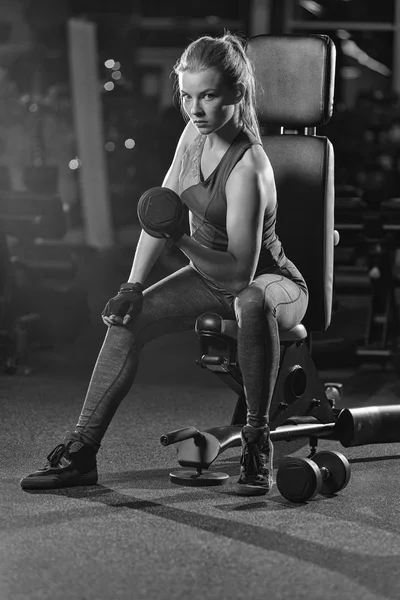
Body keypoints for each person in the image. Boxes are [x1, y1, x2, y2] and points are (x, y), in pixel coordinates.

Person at [20, 32, 308, 496]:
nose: (196, 109)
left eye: (209, 96)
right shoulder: (194, 134)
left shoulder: (249, 168)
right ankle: (81, 452)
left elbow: (238, 274)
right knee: (127, 319)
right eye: (188, 96)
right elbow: (163, 209)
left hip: (271, 283)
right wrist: (132, 285)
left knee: (252, 301)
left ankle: (258, 442)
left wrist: (181, 239)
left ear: (237, 93)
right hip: (208, 277)